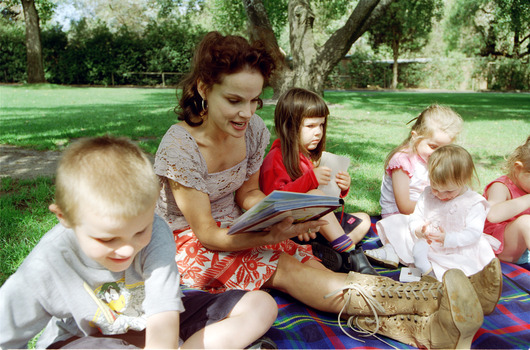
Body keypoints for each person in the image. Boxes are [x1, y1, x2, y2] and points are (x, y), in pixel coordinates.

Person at [154, 31, 502, 349]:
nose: (247, 113)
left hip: (239, 225)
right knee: (289, 270)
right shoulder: (180, 147)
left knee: (317, 272)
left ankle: (428, 328)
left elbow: (246, 194)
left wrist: (277, 209)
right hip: (188, 243)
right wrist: (271, 235)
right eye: (234, 100)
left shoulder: (252, 129)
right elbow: (208, 235)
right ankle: (437, 298)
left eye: (255, 101)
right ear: (203, 89)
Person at [0, 136, 278, 350]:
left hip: (157, 327)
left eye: (139, 232)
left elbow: (164, 314)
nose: (127, 249)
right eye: (107, 238)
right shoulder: (46, 263)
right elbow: (6, 334)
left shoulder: (156, 231)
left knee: (260, 305)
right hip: (89, 338)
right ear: (65, 218)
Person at [259, 87, 376, 275]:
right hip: (289, 229)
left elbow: (324, 195)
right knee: (314, 195)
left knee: (364, 219)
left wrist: (341, 187)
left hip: (316, 225)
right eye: (311, 126)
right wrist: (310, 180)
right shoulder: (275, 159)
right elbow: (275, 200)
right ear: (289, 126)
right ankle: (351, 255)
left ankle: (332, 252)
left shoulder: (307, 156)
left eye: (321, 125)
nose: (318, 132)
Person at [367, 145, 499, 282]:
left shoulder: (473, 203)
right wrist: (418, 229)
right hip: (428, 241)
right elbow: (416, 216)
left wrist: (448, 238)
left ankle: (429, 272)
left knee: (458, 267)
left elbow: (473, 233)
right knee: (399, 223)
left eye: (448, 191)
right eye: (436, 188)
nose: (441, 195)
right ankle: (392, 251)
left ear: (465, 180)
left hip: (456, 247)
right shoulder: (428, 194)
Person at [379, 104, 463, 219]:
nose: (438, 154)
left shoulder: (436, 158)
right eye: (433, 146)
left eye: (444, 149)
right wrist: (440, 207)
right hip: (399, 218)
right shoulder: (402, 161)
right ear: (415, 137)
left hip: (428, 212)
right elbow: (404, 207)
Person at [483, 135, 530, 264]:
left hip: (521, 252)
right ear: (518, 168)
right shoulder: (501, 186)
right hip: (495, 249)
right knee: (526, 222)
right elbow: (492, 214)